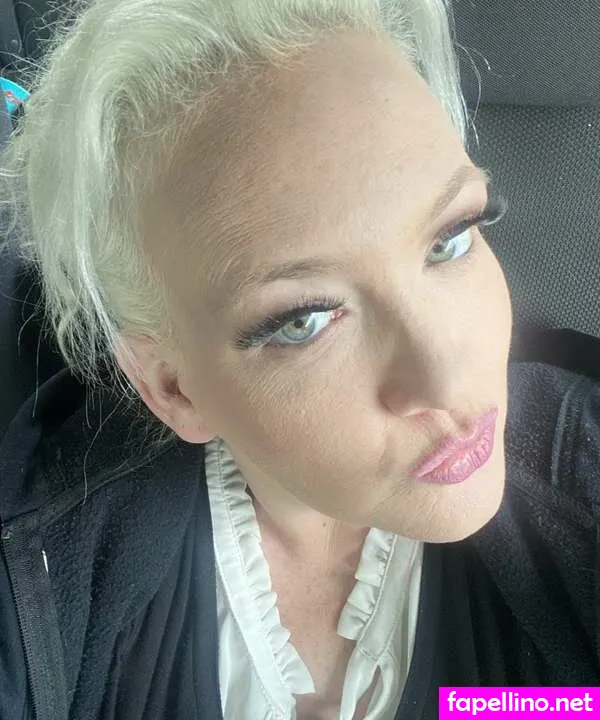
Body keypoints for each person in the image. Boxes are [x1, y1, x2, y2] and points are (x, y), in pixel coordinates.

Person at [0, 0, 598, 718]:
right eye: (304, 321)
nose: (447, 379)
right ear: (173, 388)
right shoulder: (39, 572)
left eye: (451, 238)